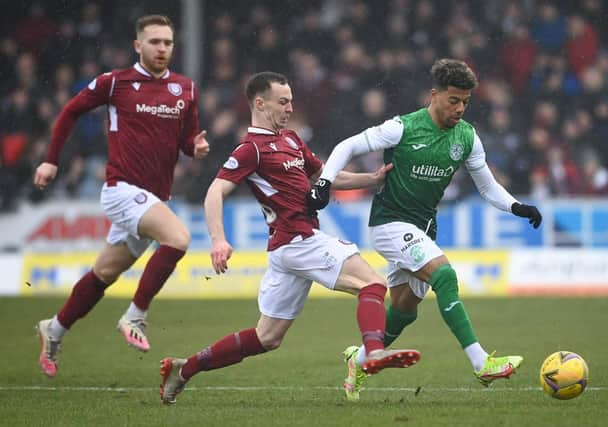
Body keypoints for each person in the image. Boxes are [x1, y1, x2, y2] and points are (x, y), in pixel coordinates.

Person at [159, 71, 420, 404]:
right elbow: (215, 191)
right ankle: (371, 352)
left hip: (288, 249)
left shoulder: (292, 140)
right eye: (283, 102)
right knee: (372, 284)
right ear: (259, 103)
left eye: (291, 101)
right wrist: (218, 240)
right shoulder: (250, 149)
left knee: (267, 338)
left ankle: (183, 369)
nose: (289, 107)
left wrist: (371, 178)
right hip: (299, 240)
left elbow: (327, 176)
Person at [307, 59, 543, 401]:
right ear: (435, 95)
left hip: (422, 228)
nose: (460, 108)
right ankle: (481, 363)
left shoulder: (467, 137)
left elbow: (487, 186)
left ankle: (357, 360)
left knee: (404, 310)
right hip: (389, 224)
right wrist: (325, 182)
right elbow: (347, 146)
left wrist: (517, 207)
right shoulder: (402, 127)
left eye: (465, 102)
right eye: (453, 101)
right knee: (444, 276)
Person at [33, 15, 210, 377]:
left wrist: (197, 147)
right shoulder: (115, 83)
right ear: (138, 46)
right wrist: (51, 161)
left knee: (104, 274)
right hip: (121, 190)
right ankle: (135, 315)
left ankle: (54, 328)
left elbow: (186, 142)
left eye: (168, 43)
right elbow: (70, 111)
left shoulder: (185, 89)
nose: (162, 48)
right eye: (155, 42)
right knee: (178, 238)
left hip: (154, 197)